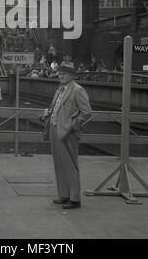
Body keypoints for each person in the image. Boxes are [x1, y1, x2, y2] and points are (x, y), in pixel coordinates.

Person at [43, 61, 91, 209]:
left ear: (72, 75)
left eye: (64, 74)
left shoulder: (78, 90)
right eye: (60, 73)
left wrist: (72, 125)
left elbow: (87, 112)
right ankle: (64, 194)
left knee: (70, 165)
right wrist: (47, 113)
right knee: (59, 165)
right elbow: (54, 107)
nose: (60, 76)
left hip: (67, 132)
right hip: (54, 129)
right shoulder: (59, 89)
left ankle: (75, 198)